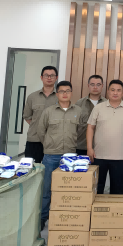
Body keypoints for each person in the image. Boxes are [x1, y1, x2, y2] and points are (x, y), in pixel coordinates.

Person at [36, 80, 81, 231]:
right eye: (61, 91)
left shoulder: (78, 111)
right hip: (51, 156)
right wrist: (49, 145)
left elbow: (81, 132)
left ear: (71, 93)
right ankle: (42, 218)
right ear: (57, 94)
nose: (64, 94)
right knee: (47, 190)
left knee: (69, 190)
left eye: (67, 91)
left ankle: (66, 218)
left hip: (70, 157)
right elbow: (41, 131)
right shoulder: (48, 111)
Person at [87, 80, 123, 195]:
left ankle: (115, 208)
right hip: (98, 155)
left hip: (120, 156)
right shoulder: (98, 108)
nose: (115, 93)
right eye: (113, 90)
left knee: (117, 189)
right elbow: (90, 127)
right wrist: (89, 148)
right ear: (108, 91)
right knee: (97, 188)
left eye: (119, 90)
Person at [22, 66, 59, 163]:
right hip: (34, 139)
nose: (49, 78)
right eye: (46, 75)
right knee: (32, 169)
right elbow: (27, 116)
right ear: (41, 77)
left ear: (56, 78)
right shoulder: (32, 97)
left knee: (51, 169)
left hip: (54, 141)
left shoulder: (60, 97)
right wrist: (39, 127)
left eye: (52, 75)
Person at [75, 75, 105, 156]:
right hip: (82, 146)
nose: (95, 87)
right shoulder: (79, 104)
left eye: (98, 85)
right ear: (88, 86)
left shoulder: (107, 104)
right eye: (92, 84)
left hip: (102, 147)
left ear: (102, 86)